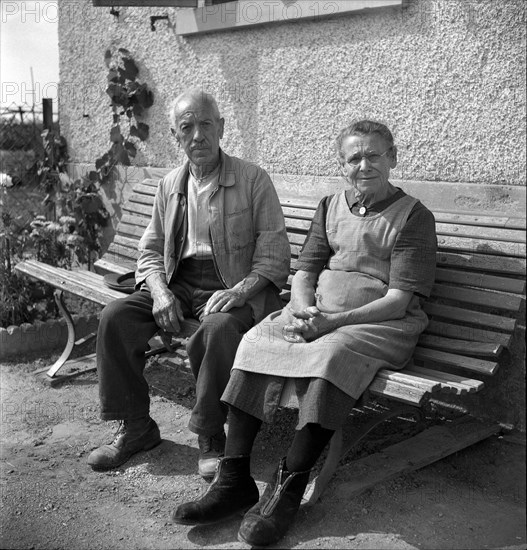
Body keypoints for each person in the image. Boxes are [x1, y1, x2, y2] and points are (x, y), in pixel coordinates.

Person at [172, 120, 438, 546]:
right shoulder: (330, 206)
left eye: (374, 155)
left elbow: (399, 300)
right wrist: (299, 307)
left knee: (330, 356)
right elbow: (306, 270)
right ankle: (235, 478)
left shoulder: (413, 217)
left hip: (379, 324)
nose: (364, 164)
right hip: (320, 314)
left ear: (393, 158)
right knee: (258, 339)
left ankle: (287, 487)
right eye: (354, 158)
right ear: (342, 165)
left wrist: (331, 323)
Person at [87, 89, 290, 479]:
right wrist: (160, 290)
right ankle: (136, 427)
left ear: (222, 128)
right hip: (180, 282)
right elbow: (148, 251)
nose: (197, 135)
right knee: (116, 317)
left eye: (206, 124)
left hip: (233, 283)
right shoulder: (169, 185)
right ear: (176, 135)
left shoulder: (253, 180)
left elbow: (275, 256)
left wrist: (240, 291)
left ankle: (211, 434)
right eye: (187, 127)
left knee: (214, 330)